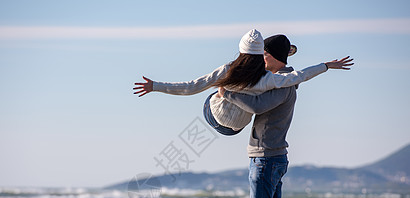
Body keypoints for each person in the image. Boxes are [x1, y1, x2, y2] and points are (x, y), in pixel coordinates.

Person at [217, 35, 353, 198]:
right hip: (273, 158)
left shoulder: (283, 86)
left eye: (263, 55)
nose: (259, 60)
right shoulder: (283, 81)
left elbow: (257, 105)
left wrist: (228, 93)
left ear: (271, 57)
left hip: (266, 159)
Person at [133, 29, 353, 136]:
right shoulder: (267, 79)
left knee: (211, 94)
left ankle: (220, 98)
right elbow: (298, 76)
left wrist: (155, 86)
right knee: (241, 98)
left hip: (217, 119)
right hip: (237, 127)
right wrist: (325, 65)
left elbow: (191, 87)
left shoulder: (227, 70)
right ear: (261, 54)